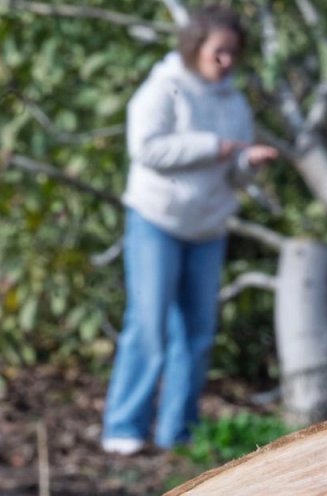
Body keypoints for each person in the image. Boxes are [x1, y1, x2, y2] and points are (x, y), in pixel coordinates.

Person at [101, 6, 278, 455]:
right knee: (148, 325)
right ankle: (124, 427)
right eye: (219, 52)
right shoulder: (163, 88)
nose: (226, 61)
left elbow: (232, 170)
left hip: (207, 228)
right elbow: (146, 148)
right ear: (195, 47)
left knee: (197, 333)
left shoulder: (234, 102)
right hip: (156, 222)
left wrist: (246, 164)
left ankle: (178, 431)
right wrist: (212, 147)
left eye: (233, 53)